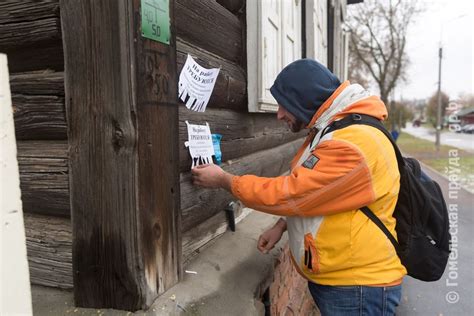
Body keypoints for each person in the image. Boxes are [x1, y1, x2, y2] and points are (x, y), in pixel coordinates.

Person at [192, 59, 406, 316]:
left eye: (284, 105)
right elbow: (317, 194)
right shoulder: (334, 129)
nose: (279, 114)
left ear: (306, 99)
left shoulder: (353, 143)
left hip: (358, 289)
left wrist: (225, 180)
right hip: (345, 282)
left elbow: (290, 192)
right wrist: (282, 225)